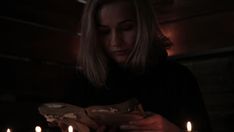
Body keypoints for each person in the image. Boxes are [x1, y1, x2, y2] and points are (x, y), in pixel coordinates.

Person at [59, 0, 212, 131]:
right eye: (104, 32)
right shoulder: (82, 82)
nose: (115, 42)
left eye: (126, 28)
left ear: (144, 26)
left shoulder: (178, 78)